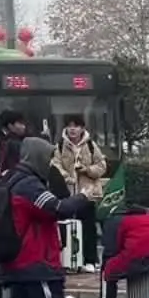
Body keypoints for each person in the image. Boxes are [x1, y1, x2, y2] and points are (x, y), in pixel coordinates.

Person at [0, 138, 90, 298]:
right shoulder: (29, 185)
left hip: (15, 258)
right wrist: (83, 197)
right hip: (35, 258)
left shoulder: (11, 180)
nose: (50, 162)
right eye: (48, 157)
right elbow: (57, 208)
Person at [52, 115, 106, 271]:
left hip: (87, 193)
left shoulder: (90, 145)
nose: (72, 129)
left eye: (76, 126)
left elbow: (102, 166)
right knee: (67, 227)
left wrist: (87, 170)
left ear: (82, 128)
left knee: (88, 227)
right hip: (67, 194)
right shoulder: (60, 145)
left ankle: (90, 260)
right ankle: (69, 261)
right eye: (69, 126)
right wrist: (66, 177)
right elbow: (55, 165)